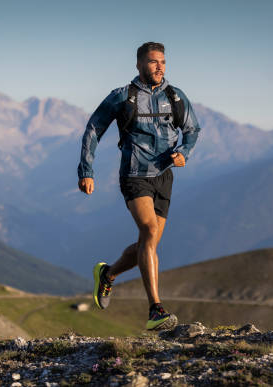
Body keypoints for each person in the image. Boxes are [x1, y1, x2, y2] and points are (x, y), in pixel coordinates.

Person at [77, 42, 200, 330]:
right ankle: (155, 310)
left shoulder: (175, 96)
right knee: (149, 231)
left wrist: (184, 153)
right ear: (139, 65)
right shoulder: (123, 97)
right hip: (134, 174)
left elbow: (193, 129)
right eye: (153, 62)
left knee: (150, 242)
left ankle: (108, 274)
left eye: (163, 62)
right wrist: (87, 170)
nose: (159, 67)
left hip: (165, 177)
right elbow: (93, 129)